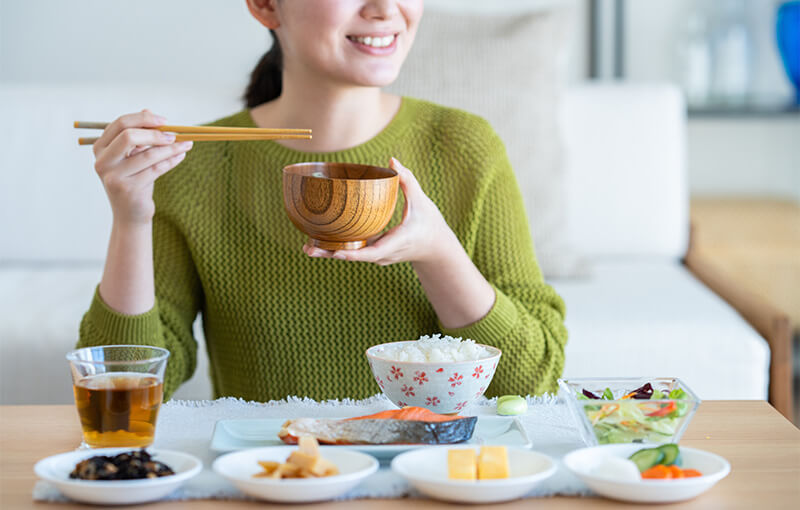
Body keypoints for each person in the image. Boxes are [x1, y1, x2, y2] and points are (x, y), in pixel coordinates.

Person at [77, 0, 567, 401]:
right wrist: (131, 220)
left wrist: (440, 254)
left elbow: (533, 383)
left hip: (427, 477)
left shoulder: (464, 146)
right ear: (266, 6)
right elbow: (122, 392)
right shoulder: (198, 165)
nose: (384, 9)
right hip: (275, 478)